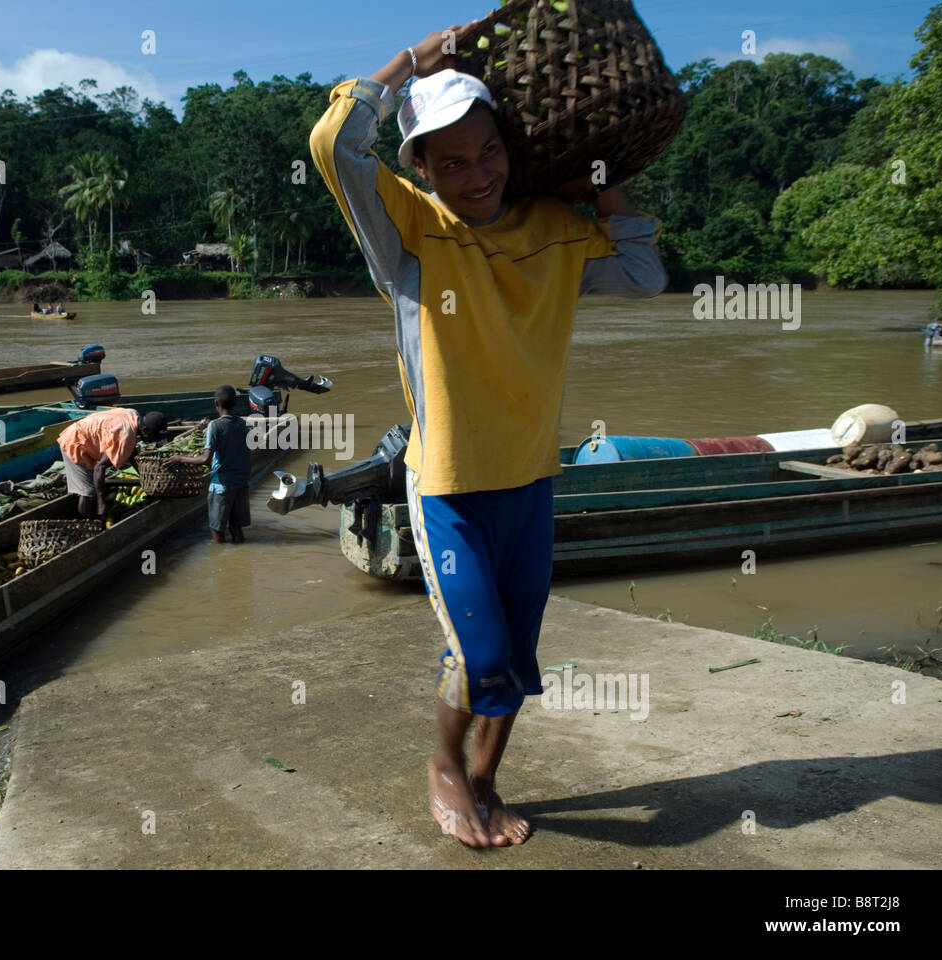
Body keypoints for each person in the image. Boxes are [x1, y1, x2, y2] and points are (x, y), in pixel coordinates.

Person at [309, 29, 666, 848]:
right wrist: (412, 60)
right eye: (450, 163)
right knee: (481, 650)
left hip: (533, 479)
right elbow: (336, 141)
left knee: (521, 657)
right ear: (423, 171)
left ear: (511, 147)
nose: (476, 175)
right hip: (447, 486)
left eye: (488, 150)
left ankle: (485, 777)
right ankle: (443, 764)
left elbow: (644, 275)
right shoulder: (407, 235)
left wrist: (602, 180)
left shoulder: (554, 226)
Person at [167, 385, 251, 543]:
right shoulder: (242, 424)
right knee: (236, 527)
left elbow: (205, 459)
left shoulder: (215, 425)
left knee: (217, 528)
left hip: (222, 485)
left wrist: (180, 458)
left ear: (217, 403)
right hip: (241, 483)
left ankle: (220, 560)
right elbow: (235, 451)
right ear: (236, 403)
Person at [57, 408, 169, 518]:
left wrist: (144, 476)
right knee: (88, 491)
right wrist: (101, 502)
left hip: (85, 438)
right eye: (153, 438)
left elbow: (132, 452)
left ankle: (94, 512)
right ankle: (88, 525)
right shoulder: (125, 436)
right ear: (145, 431)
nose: (153, 442)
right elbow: (99, 467)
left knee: (92, 487)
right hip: (74, 443)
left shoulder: (133, 414)